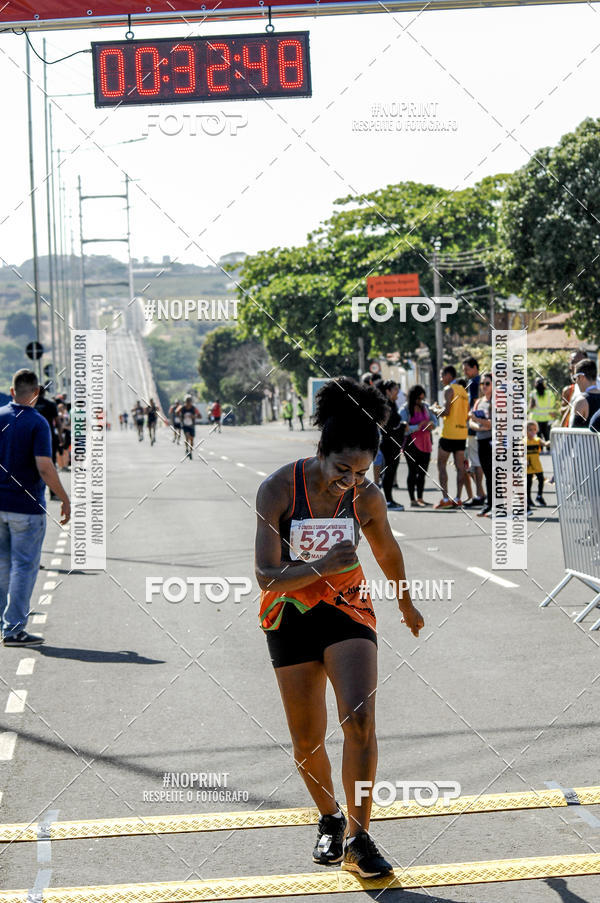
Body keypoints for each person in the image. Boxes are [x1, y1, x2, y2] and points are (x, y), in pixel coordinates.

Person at [255, 377, 423, 879]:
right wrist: (323, 565)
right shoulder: (279, 489)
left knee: (360, 721)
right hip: (289, 613)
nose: (348, 481)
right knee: (307, 740)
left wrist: (406, 605)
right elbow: (266, 574)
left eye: (361, 472)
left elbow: (387, 552)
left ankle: (360, 836)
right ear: (320, 453)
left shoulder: (365, 497)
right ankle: (328, 818)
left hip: (349, 610)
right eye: (341, 469)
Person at [0, 370, 70, 646]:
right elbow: (44, 466)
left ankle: (3, 624)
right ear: (37, 393)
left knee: (3, 565)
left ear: (12, 390)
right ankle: (14, 629)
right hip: (26, 508)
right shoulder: (37, 423)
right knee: (24, 568)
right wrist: (63, 497)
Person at [432, 366, 469, 509]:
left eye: (442, 375)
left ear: (448, 375)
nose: (441, 379)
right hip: (461, 433)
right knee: (460, 467)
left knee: (441, 465)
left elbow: (446, 412)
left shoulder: (449, 389)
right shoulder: (464, 391)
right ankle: (458, 498)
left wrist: (435, 409)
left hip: (448, 433)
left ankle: (446, 498)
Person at [399, 385, 437, 507]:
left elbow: (434, 421)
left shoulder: (425, 407)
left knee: (422, 472)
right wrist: (417, 427)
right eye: (418, 399)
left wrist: (432, 425)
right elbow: (402, 429)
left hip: (426, 443)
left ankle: (420, 498)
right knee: (412, 471)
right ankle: (412, 499)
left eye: (422, 398)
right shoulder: (405, 410)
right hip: (411, 444)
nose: (420, 401)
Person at [377, 380, 405, 511]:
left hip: (394, 443)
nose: (397, 394)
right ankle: (387, 501)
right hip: (388, 442)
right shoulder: (386, 405)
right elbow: (387, 425)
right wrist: (402, 426)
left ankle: (389, 499)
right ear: (388, 391)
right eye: (395, 391)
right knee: (389, 472)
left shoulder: (392, 404)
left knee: (391, 472)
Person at [468, 372, 493, 517]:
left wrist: (481, 422)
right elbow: (470, 421)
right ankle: (489, 504)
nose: (484, 386)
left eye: (487, 383)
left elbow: (491, 424)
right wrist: (479, 426)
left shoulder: (496, 402)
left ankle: (497, 505)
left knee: (495, 475)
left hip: (494, 441)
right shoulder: (479, 401)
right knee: (487, 474)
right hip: (481, 439)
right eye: (482, 383)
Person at [462, 356, 485, 507]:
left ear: (475, 368)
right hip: (474, 427)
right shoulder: (474, 382)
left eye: (467, 369)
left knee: (476, 462)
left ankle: (480, 494)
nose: (465, 373)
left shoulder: (476, 383)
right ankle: (480, 493)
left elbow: (475, 406)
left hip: (475, 427)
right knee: (472, 462)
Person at [560, 351, 587, 427]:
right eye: (573, 362)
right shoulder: (568, 390)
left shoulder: (596, 387)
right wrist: (571, 406)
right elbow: (562, 411)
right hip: (570, 432)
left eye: (579, 362)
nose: (575, 365)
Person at [571, 359, 600, 428]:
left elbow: (572, 434)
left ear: (581, 377)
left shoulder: (581, 401)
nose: (576, 382)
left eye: (575, 378)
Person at [526, 421, 547, 515]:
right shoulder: (523, 441)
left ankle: (539, 495)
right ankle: (528, 499)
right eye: (529, 430)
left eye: (534, 430)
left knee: (541, 479)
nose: (532, 432)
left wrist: (549, 443)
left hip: (537, 464)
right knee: (528, 482)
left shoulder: (537, 440)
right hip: (528, 465)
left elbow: (545, 444)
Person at [529, 377, 555, 445]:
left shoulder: (533, 394)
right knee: (547, 435)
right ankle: (549, 449)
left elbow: (531, 407)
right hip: (548, 418)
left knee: (538, 435)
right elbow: (553, 404)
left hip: (536, 418)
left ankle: (540, 450)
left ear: (535, 384)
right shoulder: (550, 393)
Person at [56, 402, 71, 471]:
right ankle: (61, 466)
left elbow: (66, 424)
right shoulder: (61, 415)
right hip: (61, 434)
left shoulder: (65, 415)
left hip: (64, 433)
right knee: (60, 450)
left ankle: (64, 465)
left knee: (64, 450)